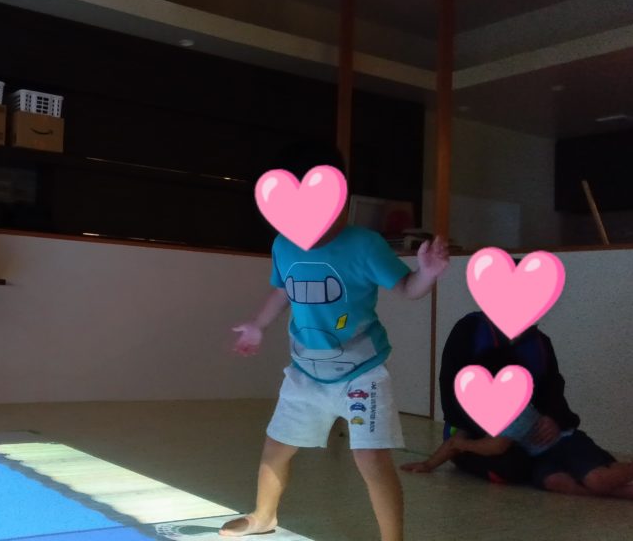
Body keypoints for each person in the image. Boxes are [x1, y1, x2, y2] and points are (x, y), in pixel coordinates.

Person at [220, 142, 450, 540]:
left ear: (337, 196)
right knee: (277, 446)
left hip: (361, 373)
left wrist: (427, 273)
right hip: (305, 370)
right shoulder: (283, 244)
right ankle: (263, 516)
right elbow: (283, 290)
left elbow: (406, 288)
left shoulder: (364, 244)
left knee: (370, 457)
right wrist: (259, 325)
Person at [437, 310, 581, 484]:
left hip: (523, 431)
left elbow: (553, 390)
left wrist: (553, 418)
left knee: (567, 449)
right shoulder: (470, 329)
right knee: (513, 464)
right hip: (471, 428)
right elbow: (450, 386)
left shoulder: (540, 342)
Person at [400, 403, 633, 499]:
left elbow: (497, 446)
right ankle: (620, 492)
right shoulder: (474, 412)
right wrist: (427, 465)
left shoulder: (514, 408)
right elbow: (454, 442)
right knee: (554, 482)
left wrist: (464, 445)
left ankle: (609, 480)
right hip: (540, 458)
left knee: (597, 479)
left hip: (566, 444)